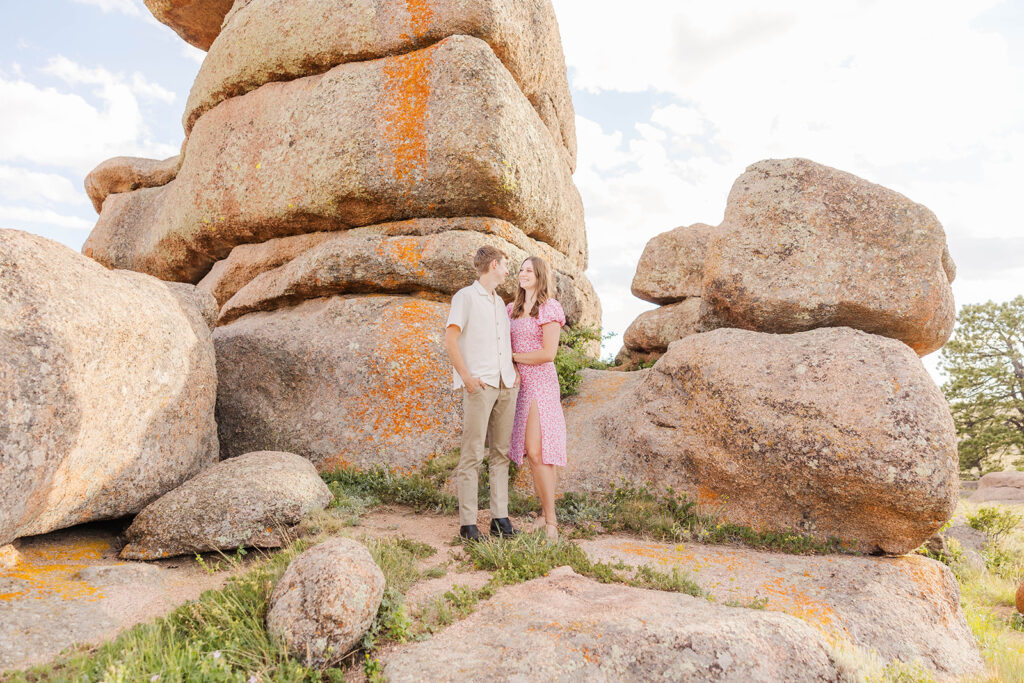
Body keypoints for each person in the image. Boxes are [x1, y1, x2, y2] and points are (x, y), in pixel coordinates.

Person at [444, 245, 520, 542]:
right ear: (492, 266)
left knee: (500, 453)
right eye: (504, 265)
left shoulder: (500, 302)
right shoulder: (465, 297)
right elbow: (451, 339)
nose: (507, 270)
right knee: (473, 454)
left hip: (505, 385)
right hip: (480, 386)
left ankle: (499, 519)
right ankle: (468, 524)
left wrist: (512, 376)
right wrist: (467, 378)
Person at [507, 256, 567, 541]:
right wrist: (514, 365)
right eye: (520, 270)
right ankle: (545, 515)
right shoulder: (511, 309)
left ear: (540, 275)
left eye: (529, 270)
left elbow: (548, 354)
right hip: (520, 385)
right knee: (537, 454)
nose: (523, 274)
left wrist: (513, 357)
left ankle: (552, 522)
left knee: (536, 450)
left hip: (541, 383)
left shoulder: (549, 308)